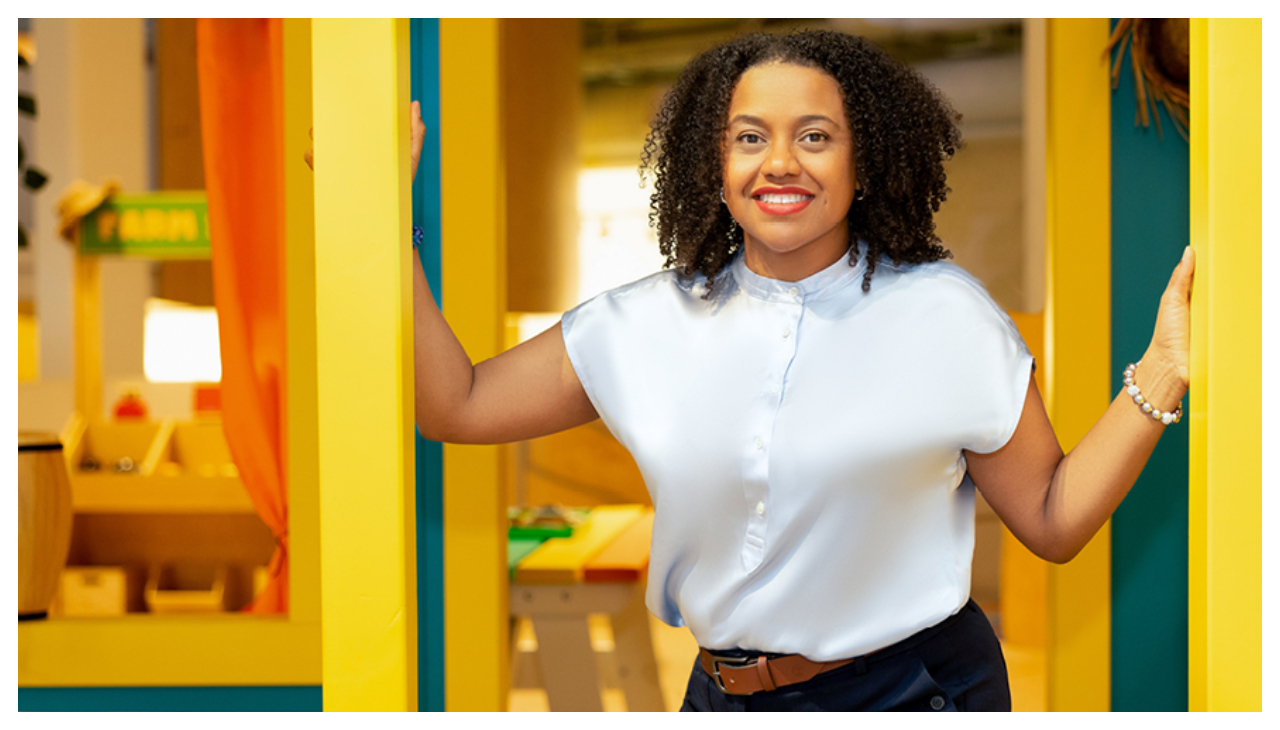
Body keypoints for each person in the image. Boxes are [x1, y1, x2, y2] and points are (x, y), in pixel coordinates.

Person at [318, 29, 1193, 712]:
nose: (780, 161)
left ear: (864, 161)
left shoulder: (946, 316)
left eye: (816, 136)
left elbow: (1051, 520)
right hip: (720, 695)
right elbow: (456, 404)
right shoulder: (642, 323)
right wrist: (384, 224)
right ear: (717, 163)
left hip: (914, 691)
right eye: (750, 137)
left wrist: (1161, 370)